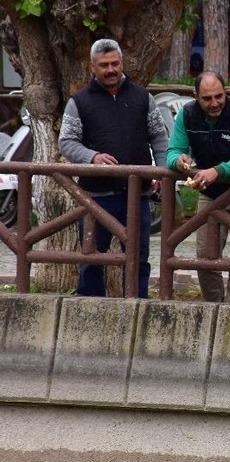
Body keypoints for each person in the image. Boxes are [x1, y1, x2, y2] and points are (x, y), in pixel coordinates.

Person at [59, 39, 168, 299]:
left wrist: (162, 171)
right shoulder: (79, 102)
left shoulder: (143, 97)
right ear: (92, 67)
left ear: (122, 63)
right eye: (104, 65)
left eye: (115, 64)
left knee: (139, 257)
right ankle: (89, 306)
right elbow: (66, 142)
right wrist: (92, 157)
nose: (110, 70)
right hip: (95, 198)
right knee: (91, 258)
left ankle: (138, 305)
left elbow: (159, 137)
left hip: (138, 195)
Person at [166, 71, 230, 303]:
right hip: (209, 192)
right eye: (207, 98)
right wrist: (179, 161)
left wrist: (217, 171)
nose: (214, 103)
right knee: (205, 255)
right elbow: (172, 151)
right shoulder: (186, 114)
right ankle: (213, 305)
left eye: (219, 96)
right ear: (195, 96)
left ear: (226, 92)